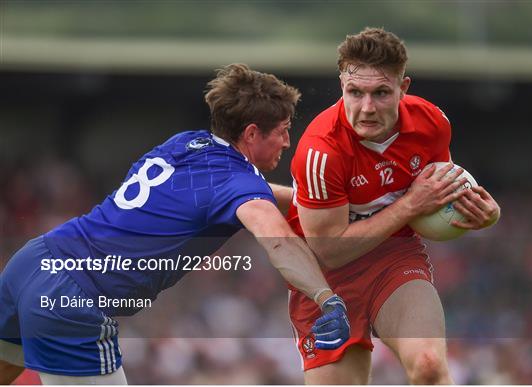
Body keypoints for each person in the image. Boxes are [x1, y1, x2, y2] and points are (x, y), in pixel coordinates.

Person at [0, 64, 350, 385]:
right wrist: (326, 297)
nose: (288, 142)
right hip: (70, 298)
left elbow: (246, 193)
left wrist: (318, 204)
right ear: (253, 133)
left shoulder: (185, 143)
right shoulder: (240, 185)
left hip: (33, 262)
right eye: (284, 130)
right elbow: (279, 242)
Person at [286, 28, 501, 384]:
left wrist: (484, 216)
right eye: (355, 92)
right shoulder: (320, 151)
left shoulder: (432, 123)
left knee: (429, 364)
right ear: (342, 85)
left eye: (381, 93)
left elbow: (437, 209)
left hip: (395, 258)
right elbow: (329, 251)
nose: (367, 108)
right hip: (323, 281)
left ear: (403, 88)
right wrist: (410, 205)